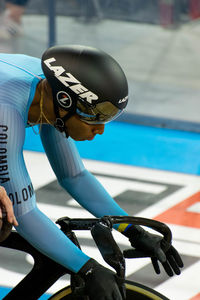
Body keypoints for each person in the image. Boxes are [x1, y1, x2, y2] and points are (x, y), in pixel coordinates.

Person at [0, 45, 183, 299]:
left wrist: (132, 230)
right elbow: (25, 211)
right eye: (95, 117)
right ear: (66, 101)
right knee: (4, 214)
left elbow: (74, 176)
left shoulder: (51, 92)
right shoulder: (6, 108)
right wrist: (88, 269)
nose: (101, 130)